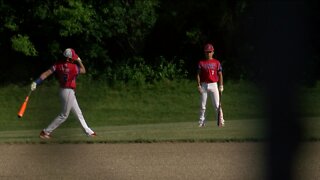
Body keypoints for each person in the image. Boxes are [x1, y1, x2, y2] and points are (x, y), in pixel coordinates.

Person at [31, 48, 97, 139]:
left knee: (78, 113)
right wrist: (79, 60)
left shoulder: (58, 64)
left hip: (63, 90)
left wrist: (36, 82)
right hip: (68, 91)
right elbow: (83, 70)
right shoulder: (73, 67)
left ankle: (89, 132)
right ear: (70, 58)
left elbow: (46, 74)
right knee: (64, 115)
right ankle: (45, 132)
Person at [196, 43, 224, 127]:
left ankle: (221, 121)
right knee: (202, 105)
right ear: (205, 52)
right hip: (204, 84)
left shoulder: (216, 62)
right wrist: (198, 85)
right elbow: (198, 74)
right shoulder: (201, 62)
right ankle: (201, 122)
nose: (208, 53)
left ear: (213, 52)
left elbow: (220, 74)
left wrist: (221, 85)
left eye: (210, 52)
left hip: (214, 84)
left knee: (217, 104)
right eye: (207, 52)